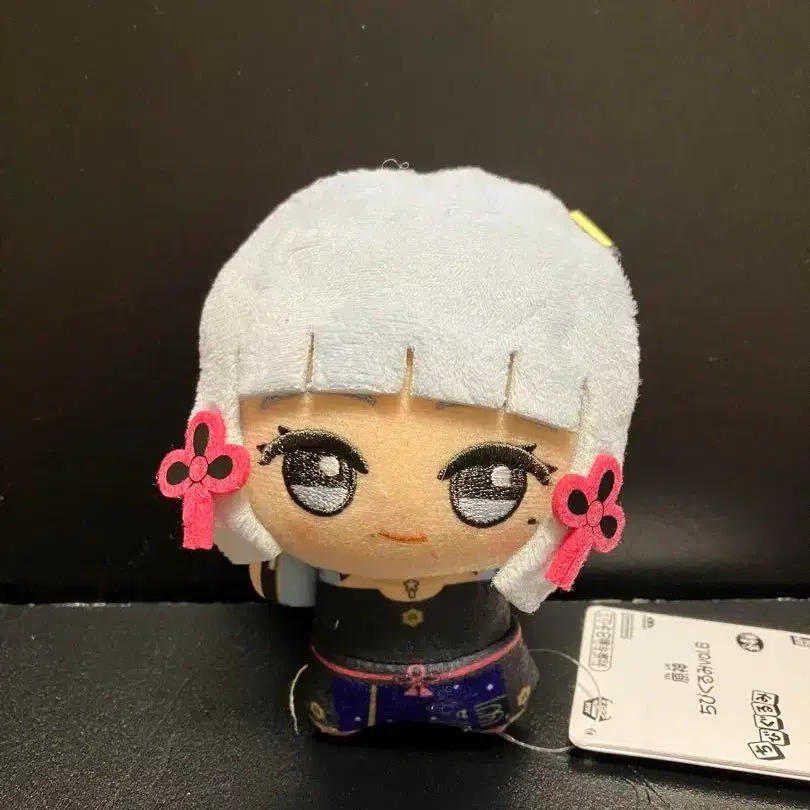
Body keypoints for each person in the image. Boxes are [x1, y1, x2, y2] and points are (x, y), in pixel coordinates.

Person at [160, 166, 640, 734]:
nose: (403, 518)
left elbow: (287, 591)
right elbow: (285, 589)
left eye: (492, 480)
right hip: (350, 669)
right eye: (317, 469)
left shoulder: (494, 563)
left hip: (478, 664)